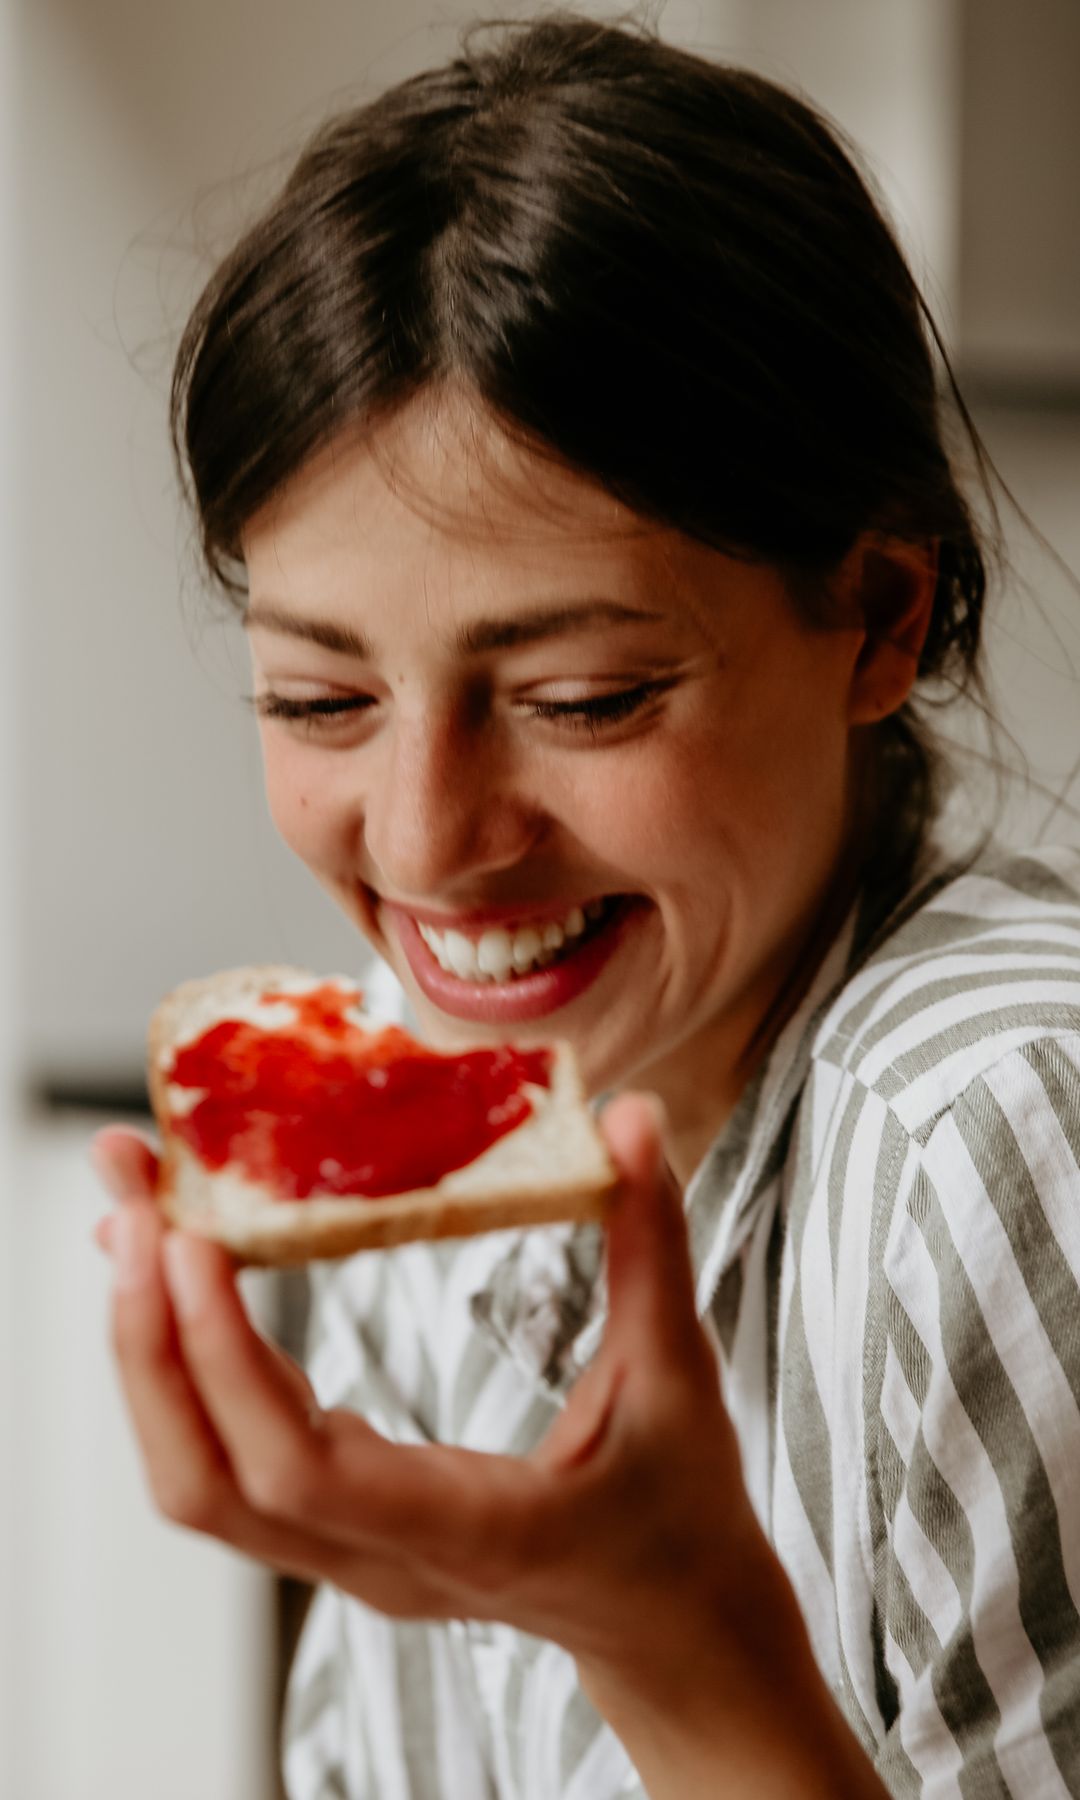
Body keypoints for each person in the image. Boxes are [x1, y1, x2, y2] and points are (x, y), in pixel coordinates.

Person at [91, 14, 1080, 1797]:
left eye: (582, 699)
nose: (426, 844)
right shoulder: (441, 1129)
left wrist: (670, 1643)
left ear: (882, 616)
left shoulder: (998, 1129)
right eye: (320, 700)